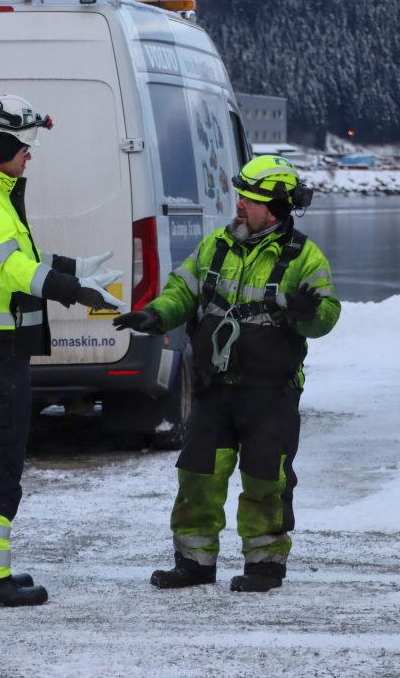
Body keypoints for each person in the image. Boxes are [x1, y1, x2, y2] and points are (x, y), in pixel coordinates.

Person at [114, 154, 340, 593]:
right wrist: (156, 316)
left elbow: (326, 316)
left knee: (265, 479)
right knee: (198, 475)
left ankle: (264, 566)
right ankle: (194, 563)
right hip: (214, 388)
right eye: (240, 196)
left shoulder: (305, 258)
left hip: (270, 394)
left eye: (249, 199)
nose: (239, 205)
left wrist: (308, 313)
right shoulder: (216, 245)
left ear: (274, 207)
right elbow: (183, 290)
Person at [0, 92, 124, 607]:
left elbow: (26, 257)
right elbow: (11, 270)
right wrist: (77, 293)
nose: (30, 156)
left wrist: (77, 269)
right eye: (24, 147)